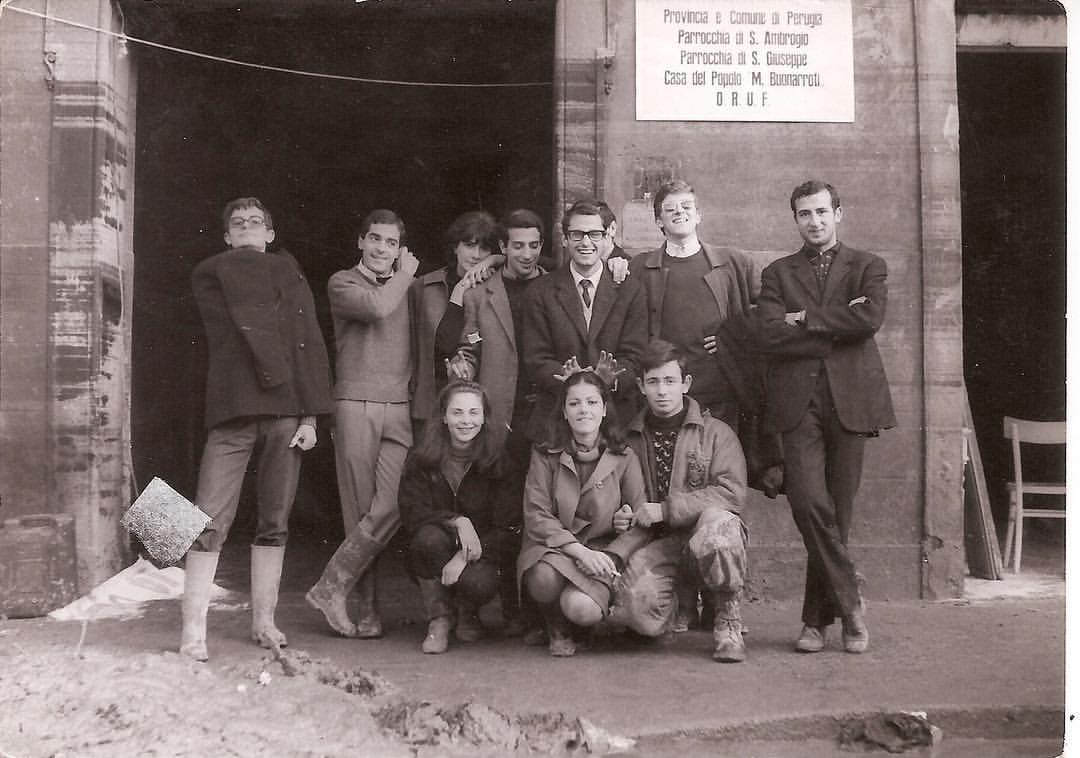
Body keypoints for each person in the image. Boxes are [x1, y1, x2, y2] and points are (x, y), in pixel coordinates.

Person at [182, 197, 332, 661]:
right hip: (232, 415)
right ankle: (193, 631)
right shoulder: (214, 271)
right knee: (206, 519)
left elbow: (307, 347)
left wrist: (310, 417)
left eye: (256, 223)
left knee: (275, 522)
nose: (247, 227)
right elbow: (253, 308)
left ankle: (264, 621)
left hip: (285, 414)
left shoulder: (291, 275)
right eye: (237, 223)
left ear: (270, 233)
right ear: (227, 237)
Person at [756, 180, 895, 654]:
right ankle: (851, 602)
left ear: (839, 213)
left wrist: (805, 319)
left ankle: (816, 621)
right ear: (794, 219)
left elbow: (870, 319)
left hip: (851, 400)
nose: (813, 221)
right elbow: (770, 333)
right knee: (809, 504)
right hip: (798, 403)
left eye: (821, 212)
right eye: (803, 214)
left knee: (840, 512)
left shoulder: (868, 265)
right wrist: (835, 320)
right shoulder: (777, 273)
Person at [628, 179, 767, 632]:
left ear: (699, 213)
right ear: (658, 220)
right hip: (664, 401)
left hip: (715, 402)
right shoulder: (641, 267)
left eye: (687, 206)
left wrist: (731, 336)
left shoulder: (731, 264)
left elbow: (766, 309)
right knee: (668, 487)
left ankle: (720, 602)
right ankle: (684, 599)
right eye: (670, 209)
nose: (680, 213)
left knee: (712, 496)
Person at [306, 209, 419, 639]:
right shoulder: (343, 282)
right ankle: (368, 610)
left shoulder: (404, 285)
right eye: (375, 239)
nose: (382, 249)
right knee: (359, 512)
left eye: (391, 243)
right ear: (360, 242)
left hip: (399, 405)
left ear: (399, 247)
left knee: (389, 506)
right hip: (354, 403)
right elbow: (376, 308)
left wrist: (495, 260)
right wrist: (405, 272)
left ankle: (330, 586)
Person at [621, 340, 749, 661]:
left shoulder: (715, 433)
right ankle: (680, 600)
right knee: (638, 610)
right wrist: (623, 511)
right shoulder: (629, 439)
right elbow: (619, 491)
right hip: (659, 545)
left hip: (701, 539)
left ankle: (727, 618)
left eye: (670, 380)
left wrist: (667, 509)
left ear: (685, 383)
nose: (662, 391)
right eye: (653, 382)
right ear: (641, 386)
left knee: (720, 528)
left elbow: (731, 492)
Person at [518, 371, 656, 657]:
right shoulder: (545, 454)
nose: (584, 410)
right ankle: (555, 624)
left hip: (601, 552)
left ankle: (580, 621)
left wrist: (615, 550)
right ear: (564, 412)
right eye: (575, 404)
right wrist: (579, 552)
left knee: (581, 609)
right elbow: (536, 514)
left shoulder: (624, 456)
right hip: (554, 548)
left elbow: (641, 520)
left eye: (592, 403)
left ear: (604, 409)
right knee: (543, 578)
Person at [399, 381, 522, 654]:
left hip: (485, 553)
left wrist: (464, 556)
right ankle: (439, 618)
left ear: (484, 417)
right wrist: (457, 521)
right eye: (457, 413)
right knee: (426, 539)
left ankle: (467, 611)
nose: (465, 421)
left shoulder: (499, 460)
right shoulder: (421, 457)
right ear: (444, 416)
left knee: (478, 583)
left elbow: (509, 526)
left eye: (473, 413)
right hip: (434, 549)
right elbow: (412, 512)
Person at [522, 200, 647, 443]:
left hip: (617, 419)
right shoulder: (540, 292)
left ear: (607, 236)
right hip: (557, 419)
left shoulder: (630, 289)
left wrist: (608, 380)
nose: (586, 242)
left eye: (594, 234)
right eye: (577, 234)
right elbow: (536, 359)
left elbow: (635, 356)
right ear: (565, 239)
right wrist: (575, 382)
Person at [412, 211, 501, 424]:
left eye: (485, 248)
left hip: (476, 400)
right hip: (433, 396)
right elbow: (445, 342)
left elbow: (545, 264)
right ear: (455, 247)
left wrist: (496, 259)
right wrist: (461, 289)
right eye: (469, 245)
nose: (477, 255)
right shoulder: (425, 286)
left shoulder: (496, 286)